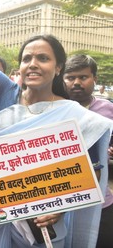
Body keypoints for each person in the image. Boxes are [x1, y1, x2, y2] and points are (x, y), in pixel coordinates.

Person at [0, 0, 112, 248]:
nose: (33, 64)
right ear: (20, 67)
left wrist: (62, 204)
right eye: (27, 58)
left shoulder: (76, 115)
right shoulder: (7, 95)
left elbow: (93, 169)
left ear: (58, 67)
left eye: (43, 58)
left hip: (47, 226)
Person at [63, 54, 113, 248]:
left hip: (102, 202)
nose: (76, 82)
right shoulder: (55, 108)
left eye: (83, 77)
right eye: (70, 77)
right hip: (62, 204)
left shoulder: (108, 109)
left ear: (95, 79)